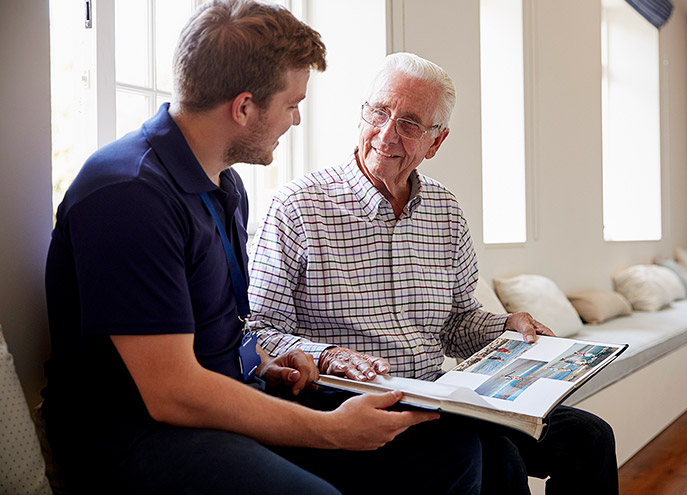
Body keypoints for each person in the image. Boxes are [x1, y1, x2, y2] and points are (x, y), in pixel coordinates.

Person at [42, 4, 485, 494]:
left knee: (450, 454)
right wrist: (332, 431)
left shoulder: (225, 186)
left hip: (225, 399)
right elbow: (172, 394)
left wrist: (261, 362)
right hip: (138, 434)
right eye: (292, 103)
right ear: (245, 107)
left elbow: (227, 329)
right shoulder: (127, 193)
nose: (296, 121)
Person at [248, 52, 620, 494]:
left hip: (441, 394)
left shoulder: (445, 211)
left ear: (436, 142)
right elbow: (260, 332)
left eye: (409, 124)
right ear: (362, 113)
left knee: (590, 438)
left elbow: (458, 322)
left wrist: (508, 326)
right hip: (350, 401)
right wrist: (331, 355)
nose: (387, 134)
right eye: (379, 112)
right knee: (493, 453)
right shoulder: (296, 206)